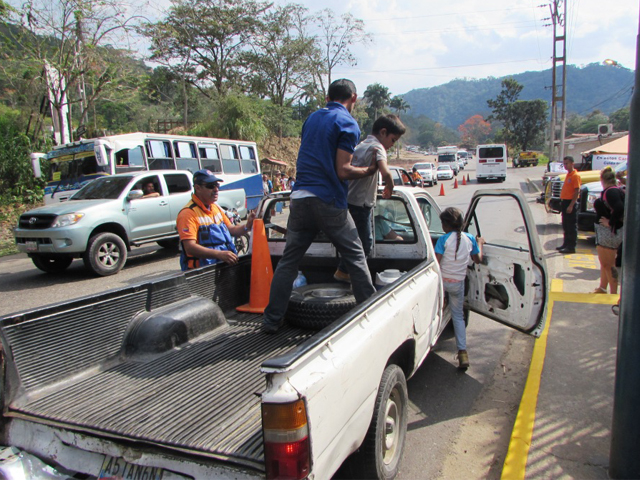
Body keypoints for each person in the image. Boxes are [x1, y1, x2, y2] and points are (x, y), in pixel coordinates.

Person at [262, 78, 378, 333]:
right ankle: (371, 315)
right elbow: (343, 170)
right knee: (356, 254)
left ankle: (271, 321)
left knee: (289, 261)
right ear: (353, 98)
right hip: (327, 199)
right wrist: (369, 170)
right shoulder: (347, 121)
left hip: (300, 199)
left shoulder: (311, 118)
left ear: (328, 96)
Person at [334, 114, 406, 282]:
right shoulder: (377, 148)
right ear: (383, 132)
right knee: (365, 244)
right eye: (393, 140)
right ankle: (346, 272)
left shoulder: (359, 146)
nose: (392, 145)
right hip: (361, 204)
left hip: (348, 202)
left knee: (353, 242)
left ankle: (347, 271)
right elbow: (385, 171)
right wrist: (390, 186)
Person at [435, 207, 484, 369]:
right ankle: (462, 353)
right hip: (457, 284)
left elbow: (436, 263)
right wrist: (480, 243)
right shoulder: (470, 239)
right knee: (458, 317)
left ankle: (431, 343)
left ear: (445, 226)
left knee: (436, 313)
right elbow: (478, 260)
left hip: (442, 283)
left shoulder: (443, 240)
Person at [176, 169, 255, 271]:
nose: (216, 189)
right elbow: (190, 247)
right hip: (202, 273)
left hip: (221, 268)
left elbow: (231, 229)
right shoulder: (188, 214)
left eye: (217, 185)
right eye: (210, 186)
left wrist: (247, 226)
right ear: (197, 188)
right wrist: (219, 254)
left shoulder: (215, 208)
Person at [593, 166, 625, 294]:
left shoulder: (610, 192)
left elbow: (619, 208)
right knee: (604, 263)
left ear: (602, 179)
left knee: (608, 264)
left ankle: (613, 292)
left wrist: (610, 223)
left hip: (609, 234)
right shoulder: (614, 190)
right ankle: (602, 287)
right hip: (608, 233)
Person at [556, 156, 581, 254]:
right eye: (564, 164)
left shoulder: (575, 176)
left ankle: (571, 247)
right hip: (565, 202)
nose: (565, 166)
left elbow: (576, 191)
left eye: (567, 163)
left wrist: (571, 205)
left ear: (572, 164)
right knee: (565, 225)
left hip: (570, 202)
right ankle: (566, 244)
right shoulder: (568, 175)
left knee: (571, 226)